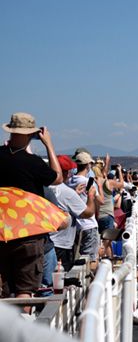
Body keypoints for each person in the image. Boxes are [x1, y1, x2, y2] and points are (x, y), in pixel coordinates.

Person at [0, 112, 62, 307]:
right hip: (27, 229)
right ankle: (21, 330)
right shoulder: (32, 162)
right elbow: (58, 178)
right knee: (24, 289)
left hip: (1, 227)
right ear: (31, 134)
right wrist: (49, 144)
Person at [46, 155, 97, 272]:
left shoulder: (45, 187)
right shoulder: (67, 192)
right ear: (65, 172)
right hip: (62, 244)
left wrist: (75, 193)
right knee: (61, 279)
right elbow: (88, 213)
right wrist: (90, 196)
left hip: (47, 242)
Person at [67, 151, 103, 265]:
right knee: (90, 259)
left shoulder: (69, 182)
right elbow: (101, 201)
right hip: (89, 224)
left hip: (75, 226)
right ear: (88, 165)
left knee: (76, 259)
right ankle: (92, 282)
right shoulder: (88, 182)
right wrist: (100, 186)